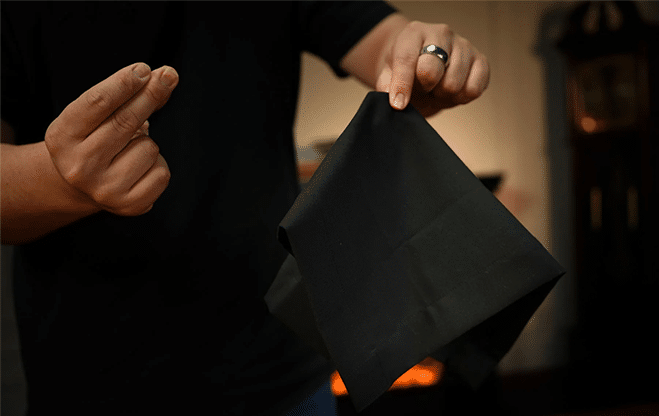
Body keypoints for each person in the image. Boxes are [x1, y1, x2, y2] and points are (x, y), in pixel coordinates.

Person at [1, 2, 489, 414]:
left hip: (284, 375)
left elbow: (386, 45)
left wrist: (422, 54)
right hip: (91, 382)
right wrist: (63, 182)